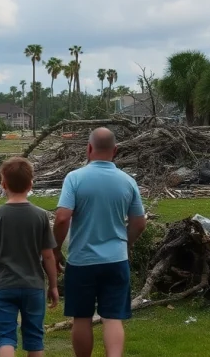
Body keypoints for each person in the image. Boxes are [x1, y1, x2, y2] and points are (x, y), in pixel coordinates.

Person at [53, 127, 147, 357]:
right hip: (116, 259)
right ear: (115, 150)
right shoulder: (127, 181)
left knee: (82, 317)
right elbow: (139, 222)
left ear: (88, 148)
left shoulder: (74, 178)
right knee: (113, 318)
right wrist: (126, 245)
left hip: (81, 260)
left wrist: (55, 249)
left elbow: (63, 217)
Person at [0, 157, 60, 357]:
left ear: (3, 184)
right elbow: (48, 256)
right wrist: (54, 286)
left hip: (4, 285)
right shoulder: (40, 216)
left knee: (5, 336)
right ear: (31, 184)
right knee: (35, 339)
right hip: (33, 286)